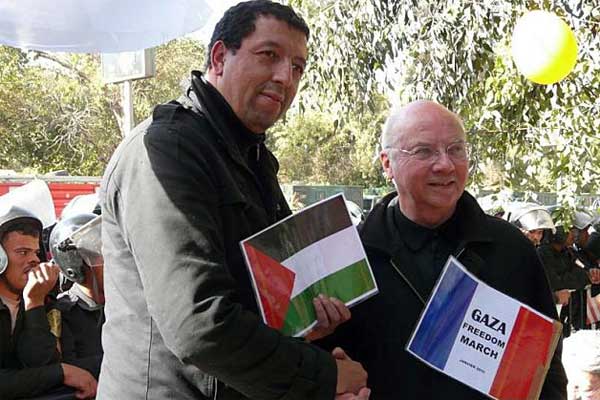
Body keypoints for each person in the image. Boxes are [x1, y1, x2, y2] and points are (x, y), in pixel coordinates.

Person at [98, 1, 367, 399]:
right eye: (269, 56)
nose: (284, 77)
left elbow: (258, 295)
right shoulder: (167, 150)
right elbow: (199, 323)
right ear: (220, 57)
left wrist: (305, 319)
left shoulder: (251, 156)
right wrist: (324, 377)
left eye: (297, 67)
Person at [317, 100, 567, 399]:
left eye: (455, 149)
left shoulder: (512, 249)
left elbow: (546, 365)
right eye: (424, 151)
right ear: (387, 164)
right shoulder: (348, 256)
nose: (445, 164)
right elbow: (322, 363)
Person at [0, 205, 97, 399]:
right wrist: (62, 372)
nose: (34, 260)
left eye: (36, 253)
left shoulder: (43, 299)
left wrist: (34, 302)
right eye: (22, 252)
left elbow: (39, 363)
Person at [51, 213, 104, 379]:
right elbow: (66, 367)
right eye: (99, 257)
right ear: (75, 265)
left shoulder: (125, 303)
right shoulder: (62, 312)